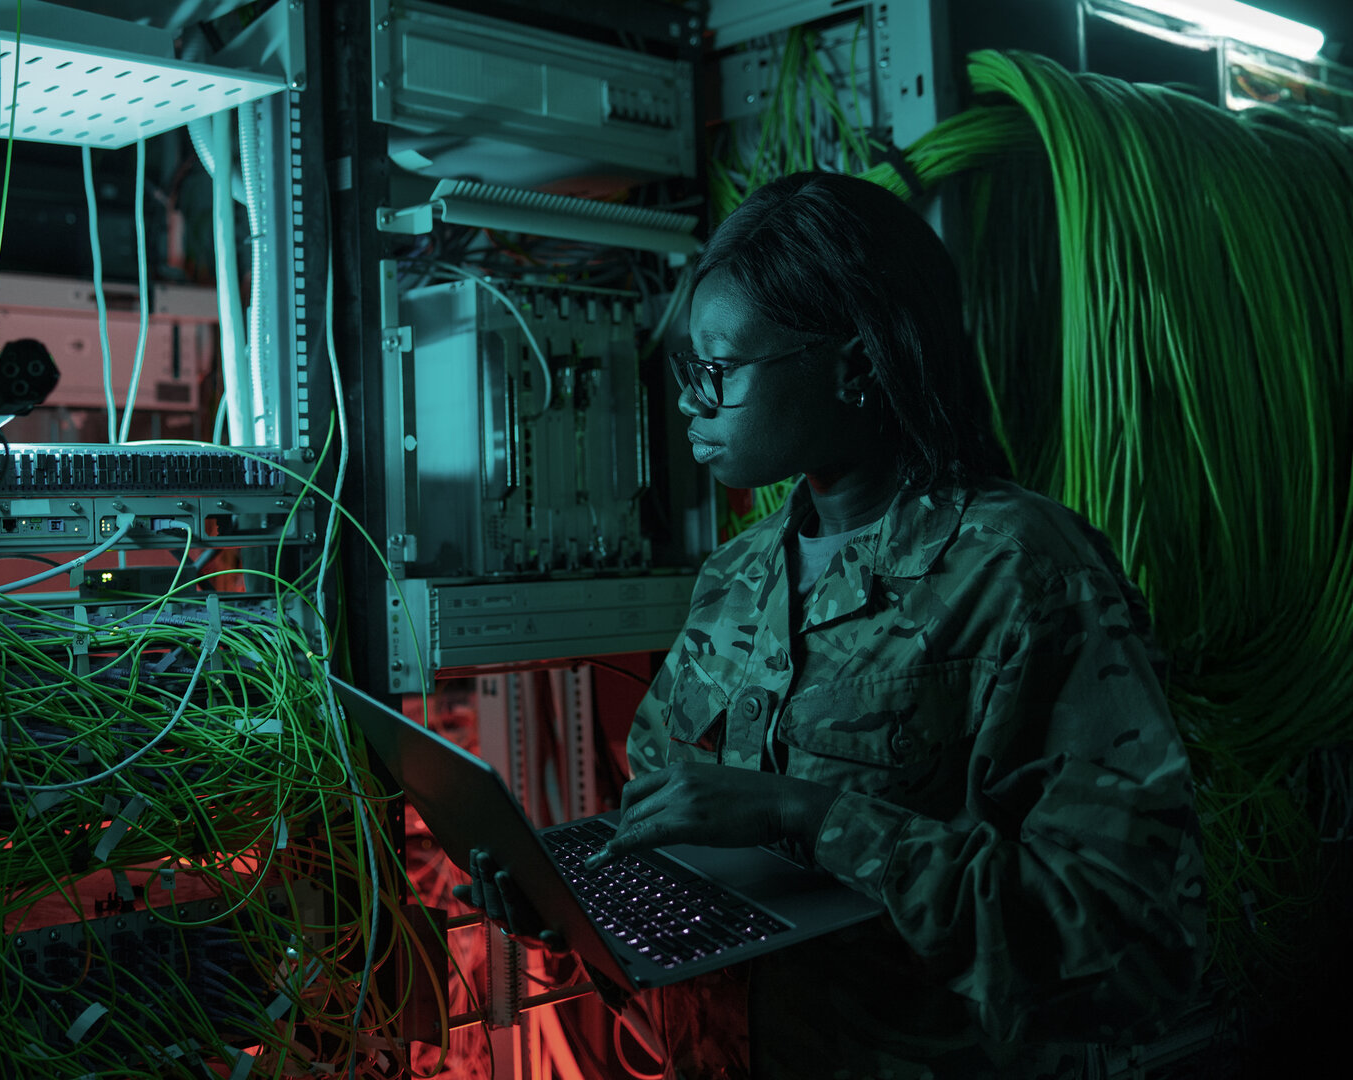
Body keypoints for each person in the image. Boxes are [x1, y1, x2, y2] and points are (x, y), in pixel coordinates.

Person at [453, 171, 1207, 1079]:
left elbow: (1134, 937)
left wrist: (806, 817)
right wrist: (576, 905)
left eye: (718, 372)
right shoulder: (736, 575)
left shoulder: (1021, 571)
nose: (690, 402)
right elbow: (677, 829)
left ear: (853, 364)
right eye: (687, 370)